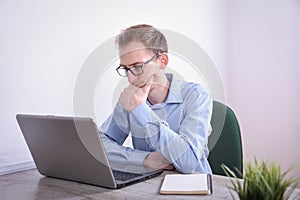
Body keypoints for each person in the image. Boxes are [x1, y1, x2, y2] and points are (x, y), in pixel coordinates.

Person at [99, 24, 213, 174]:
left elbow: (188, 161)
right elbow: (100, 144)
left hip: (194, 188)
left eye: (137, 66)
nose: (130, 78)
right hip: (146, 186)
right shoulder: (131, 98)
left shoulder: (196, 96)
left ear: (162, 61)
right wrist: (145, 159)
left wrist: (140, 110)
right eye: (126, 69)